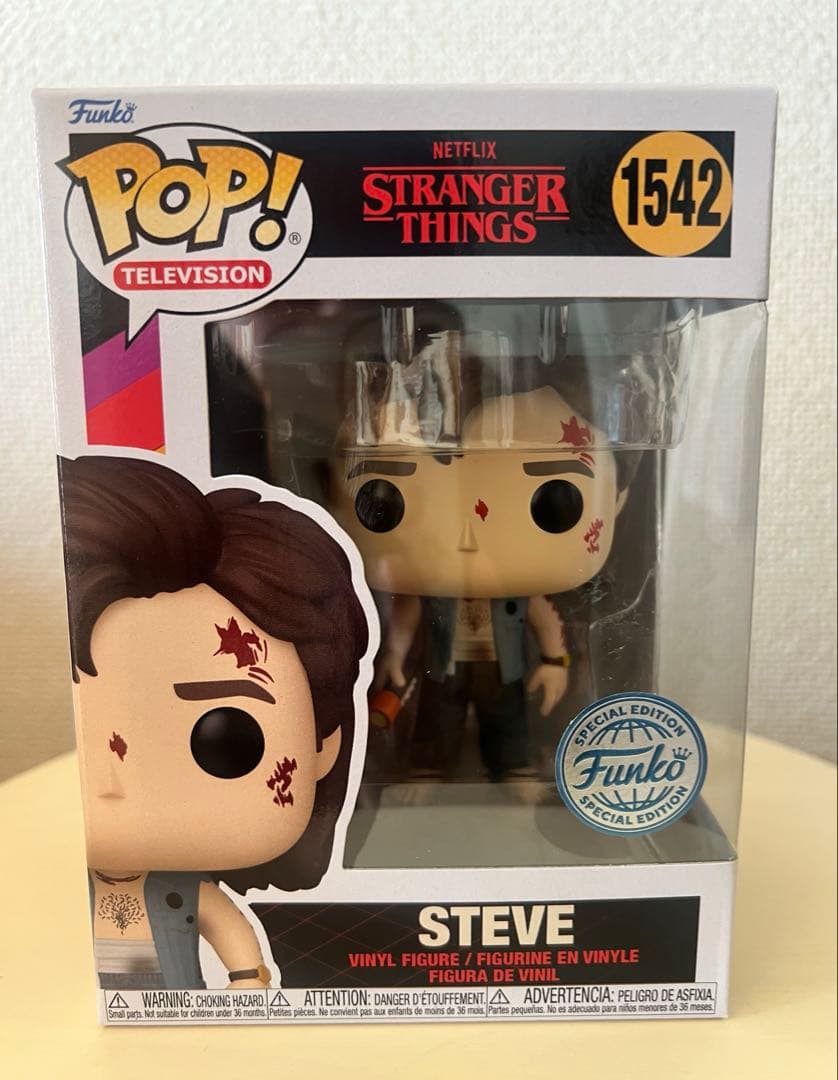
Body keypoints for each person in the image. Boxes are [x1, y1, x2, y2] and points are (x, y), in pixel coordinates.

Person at [60, 454, 369, 990]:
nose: (110, 781)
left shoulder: (187, 892)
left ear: (324, 742)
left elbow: (236, 945)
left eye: (225, 738)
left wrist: (249, 982)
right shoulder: (55, 889)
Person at [333, 384, 629, 780]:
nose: (468, 538)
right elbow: (405, 615)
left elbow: (546, 619)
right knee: (438, 712)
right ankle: (429, 765)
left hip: (501, 663)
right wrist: (394, 655)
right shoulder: (431, 591)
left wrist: (555, 662)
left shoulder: (521, 589)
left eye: (554, 502)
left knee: (506, 713)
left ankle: (513, 764)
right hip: (445, 664)